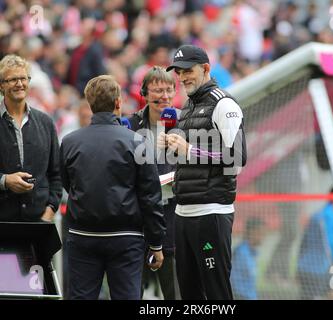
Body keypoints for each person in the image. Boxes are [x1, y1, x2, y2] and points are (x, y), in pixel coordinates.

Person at [60, 75, 166, 300]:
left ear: (90, 103)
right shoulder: (137, 141)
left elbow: (68, 184)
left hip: (83, 235)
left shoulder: (70, 142)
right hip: (125, 238)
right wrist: (156, 243)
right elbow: (150, 196)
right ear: (118, 102)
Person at [164, 44, 247, 300]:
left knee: (217, 294)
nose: (182, 77)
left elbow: (237, 159)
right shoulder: (187, 107)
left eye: (187, 70)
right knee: (189, 296)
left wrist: (189, 150)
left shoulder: (224, 104)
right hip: (182, 214)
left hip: (211, 214)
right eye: (178, 72)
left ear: (206, 69)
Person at [128, 65, 180, 300]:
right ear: (145, 93)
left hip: (172, 222)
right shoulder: (128, 126)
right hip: (135, 223)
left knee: (176, 294)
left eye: (169, 90)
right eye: (158, 90)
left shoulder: (185, 122)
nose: (165, 96)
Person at [0, 54, 62, 222]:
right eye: (13, 79)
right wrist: (4, 180)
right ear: (1, 86)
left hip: (39, 223)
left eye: (23, 78)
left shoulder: (46, 122)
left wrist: (49, 212)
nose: (19, 84)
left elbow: (56, 174)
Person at [296, 187, 333, 300]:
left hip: (310, 268)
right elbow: (330, 248)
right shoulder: (329, 218)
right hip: (317, 270)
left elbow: (304, 244)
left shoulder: (321, 215)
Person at [231, 217, 267, 300]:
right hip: (240, 295)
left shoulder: (251, 251)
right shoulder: (242, 253)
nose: (264, 236)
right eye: (261, 233)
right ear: (252, 232)